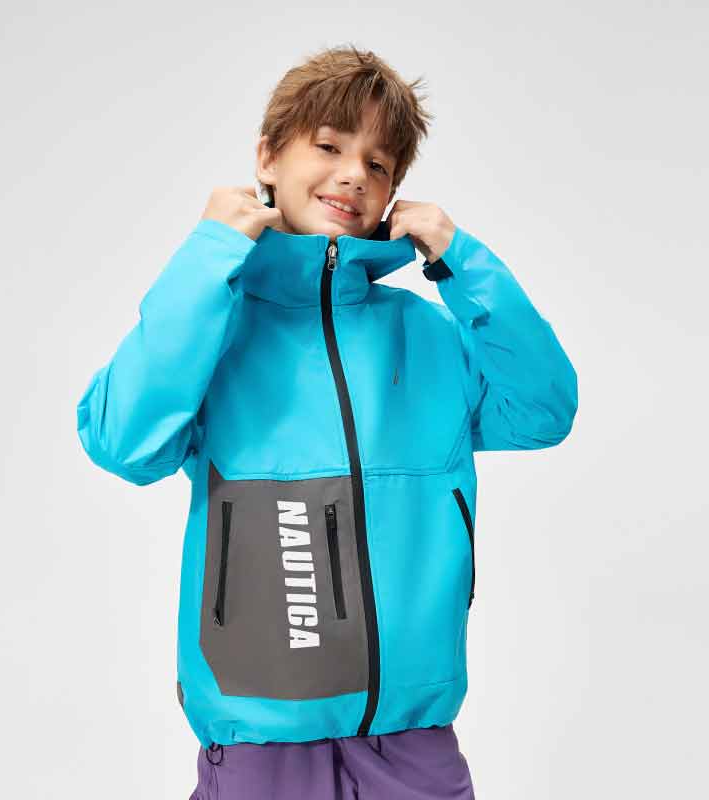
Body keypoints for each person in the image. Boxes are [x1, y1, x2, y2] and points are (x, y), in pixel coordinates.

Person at [76, 43, 578, 799]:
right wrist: (210, 254)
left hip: (412, 732)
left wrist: (461, 259)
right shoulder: (215, 326)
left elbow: (544, 409)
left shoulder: (428, 334)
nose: (353, 174)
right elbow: (122, 442)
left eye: (378, 164)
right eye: (329, 146)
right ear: (268, 158)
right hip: (260, 733)